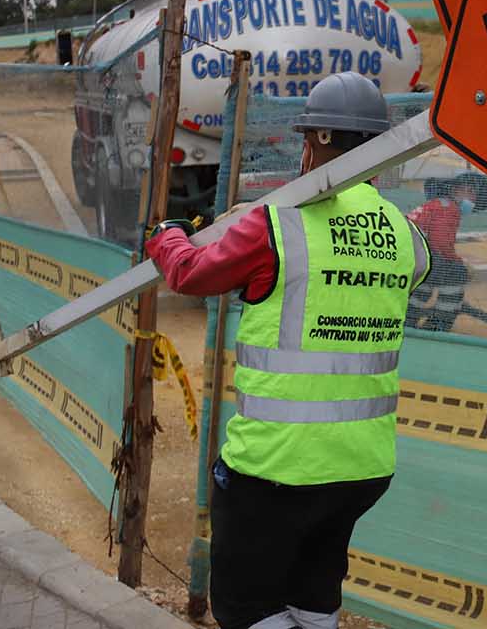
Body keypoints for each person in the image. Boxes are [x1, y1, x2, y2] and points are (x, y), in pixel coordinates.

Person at [145, 72, 430, 629]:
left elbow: (190, 271)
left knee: (245, 608)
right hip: (361, 469)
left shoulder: (277, 224)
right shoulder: (405, 234)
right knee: (314, 596)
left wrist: (165, 233)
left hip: (277, 470)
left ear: (317, 140)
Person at [405, 173, 487, 331]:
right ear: (460, 190)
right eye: (472, 194)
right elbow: (441, 244)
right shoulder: (449, 209)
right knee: (456, 273)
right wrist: (460, 263)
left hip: (411, 255)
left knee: (426, 281)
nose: (474, 200)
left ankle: (408, 316)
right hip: (418, 254)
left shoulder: (437, 204)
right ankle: (441, 321)